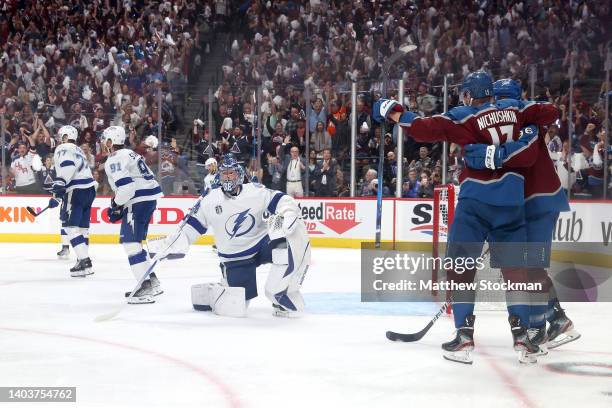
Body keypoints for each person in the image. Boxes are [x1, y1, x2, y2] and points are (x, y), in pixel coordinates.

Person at [374, 70, 559, 364]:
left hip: (475, 203)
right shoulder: (519, 112)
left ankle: (463, 338)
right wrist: (525, 121)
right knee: (516, 274)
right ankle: (523, 339)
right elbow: (551, 112)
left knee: (460, 267)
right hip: (511, 203)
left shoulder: (465, 115)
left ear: (470, 94)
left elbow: (423, 127)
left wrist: (392, 111)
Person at [462, 78, 579, 351]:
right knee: (525, 267)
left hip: (538, 205)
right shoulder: (515, 125)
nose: (497, 107)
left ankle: (553, 321)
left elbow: (513, 159)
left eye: (501, 100)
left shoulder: (525, 125)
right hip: (532, 205)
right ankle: (544, 323)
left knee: (529, 267)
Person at [159, 154, 310, 318]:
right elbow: (191, 227)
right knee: (234, 308)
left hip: (261, 244)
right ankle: (216, 291)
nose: (228, 177)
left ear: (239, 175)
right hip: (235, 258)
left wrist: (285, 214)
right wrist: (174, 243)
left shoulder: (255, 191)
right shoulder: (209, 200)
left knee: (286, 241)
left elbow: (284, 200)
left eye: (231, 173)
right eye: (224, 173)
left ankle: (283, 292)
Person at [103, 126, 163, 304]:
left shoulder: (114, 158)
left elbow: (127, 187)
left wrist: (115, 204)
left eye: (105, 139)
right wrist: (120, 204)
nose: (102, 143)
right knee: (136, 243)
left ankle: (144, 288)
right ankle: (153, 282)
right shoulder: (130, 154)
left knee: (130, 244)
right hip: (147, 199)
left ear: (110, 142)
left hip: (137, 201)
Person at [50, 126, 97, 277]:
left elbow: (68, 167)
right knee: (82, 229)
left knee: (70, 227)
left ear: (64, 136)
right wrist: (58, 195)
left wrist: (59, 185)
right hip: (89, 189)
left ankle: (85, 262)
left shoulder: (63, 147)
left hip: (76, 190)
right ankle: (80, 262)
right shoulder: (78, 149)